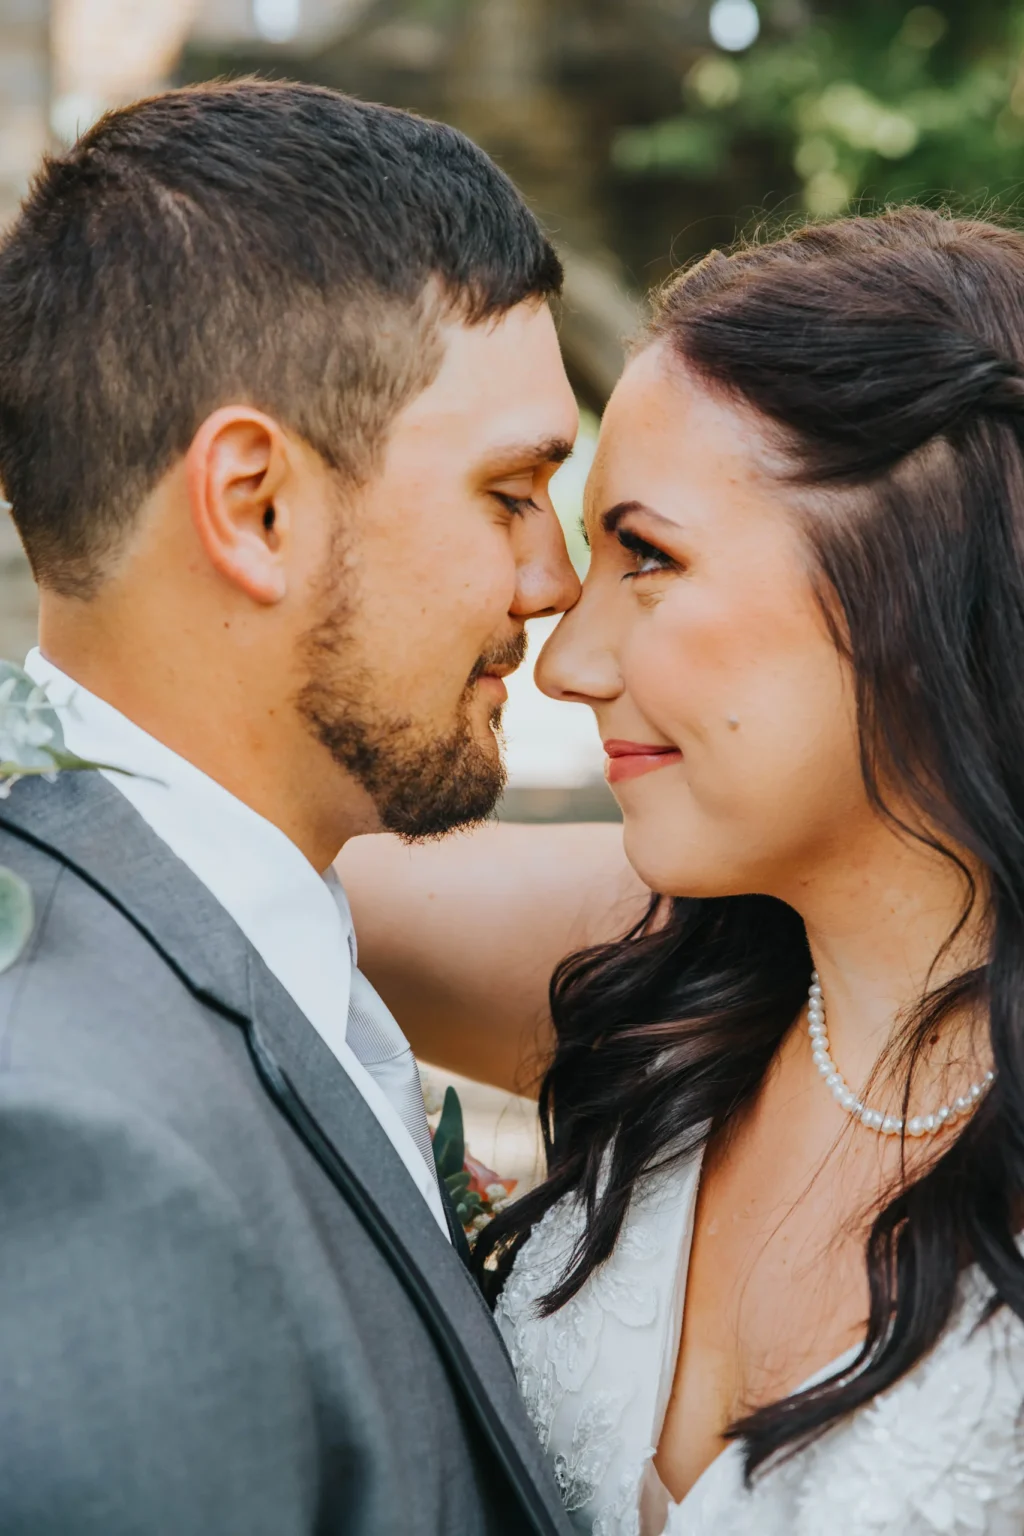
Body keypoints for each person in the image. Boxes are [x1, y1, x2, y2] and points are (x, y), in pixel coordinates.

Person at [339, 208, 1024, 1533]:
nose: (568, 662)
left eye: (646, 556)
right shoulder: (651, 955)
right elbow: (183, 842)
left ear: (915, 574)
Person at [0, 80, 583, 1535]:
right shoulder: (80, 1149)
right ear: (256, 506)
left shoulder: (238, 923)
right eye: (511, 493)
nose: (555, 581)